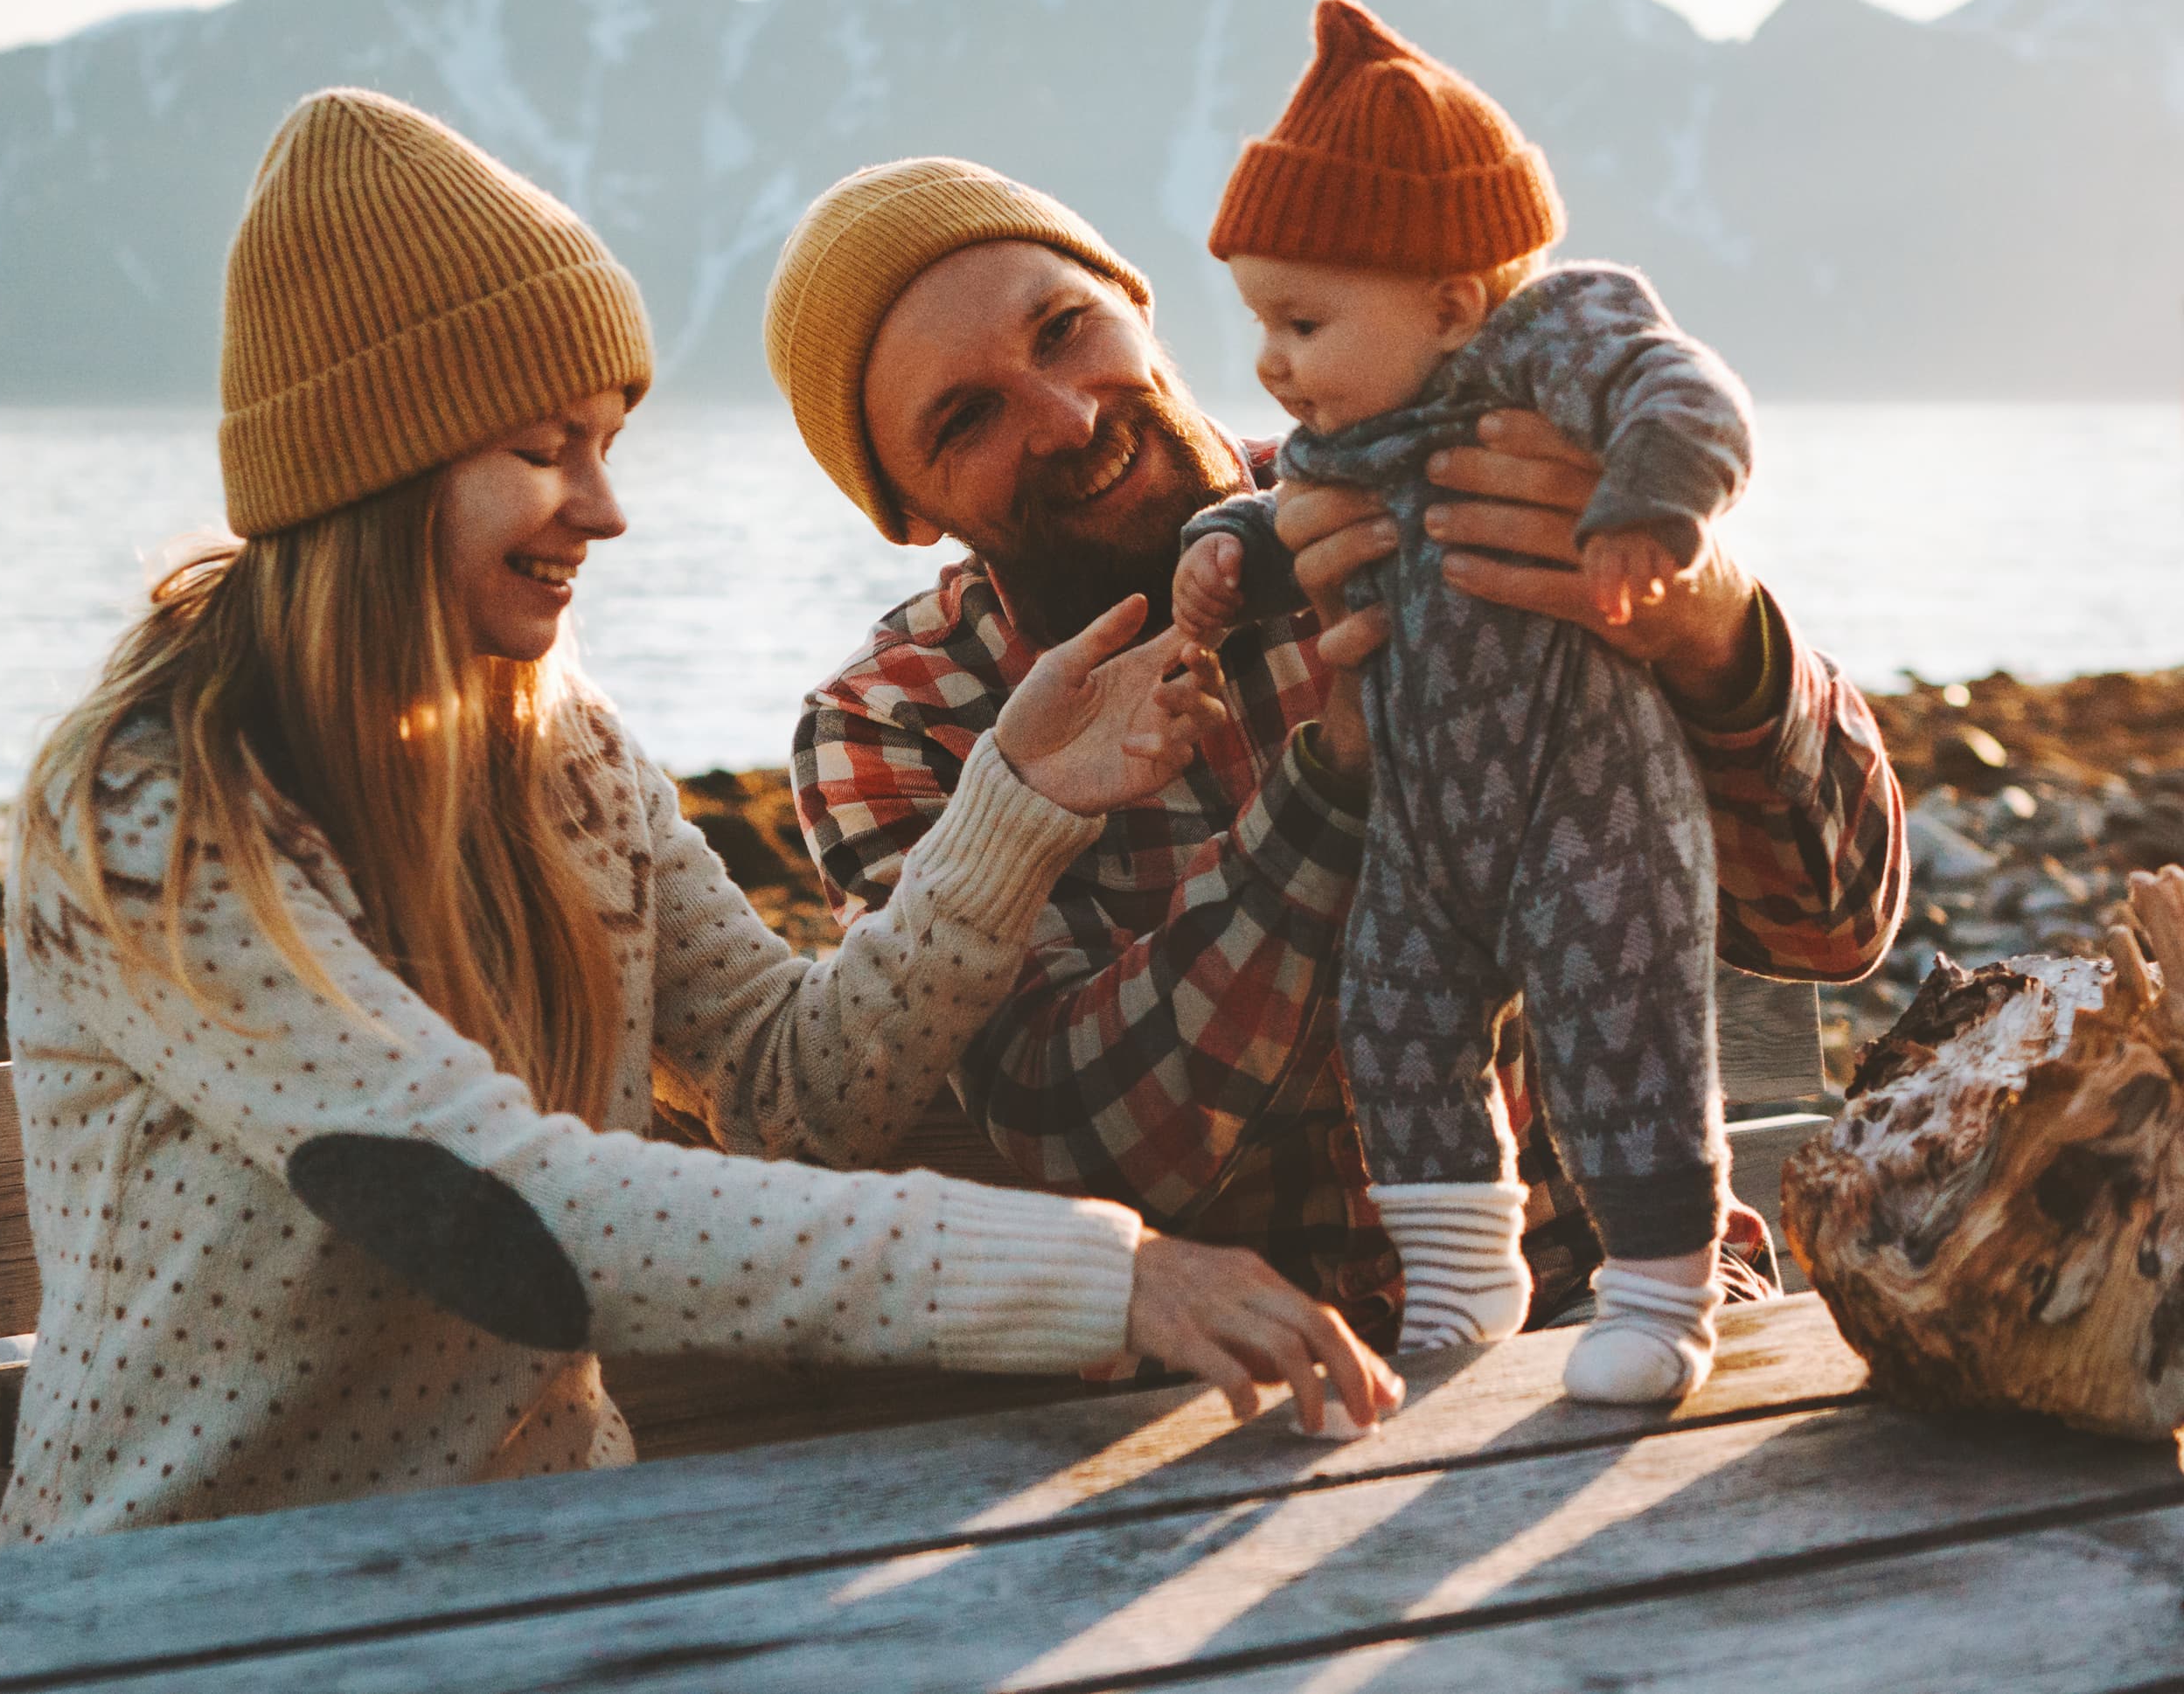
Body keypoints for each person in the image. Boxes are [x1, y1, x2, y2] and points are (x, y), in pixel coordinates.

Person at [0, 87, 1395, 1545]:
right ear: (383, 462)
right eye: (547, 448)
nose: (603, 510)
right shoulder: (151, 802)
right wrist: (1108, 1272)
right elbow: (487, 1197)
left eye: (606, 442)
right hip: (184, 1602)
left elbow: (796, 1089)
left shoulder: (561, 751)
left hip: (554, 1563)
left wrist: (1016, 804)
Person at [762, 122, 1903, 1352]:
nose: (1065, 414)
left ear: (1137, 304)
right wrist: (1334, 790)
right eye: (967, 418)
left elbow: (1835, 917)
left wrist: (1706, 621)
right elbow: (1082, 1135)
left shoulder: (1466, 481)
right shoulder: (898, 718)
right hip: (1229, 1402)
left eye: (1063, 328)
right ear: (904, 510)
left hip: (1616, 1316)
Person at [1172, 0, 1757, 1403]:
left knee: (1623, 1023)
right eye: (1260, 322)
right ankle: (1460, 1272)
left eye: (1301, 319)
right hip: (1426, 834)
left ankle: (1665, 1295)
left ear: (1448, 299)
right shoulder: (1349, 436)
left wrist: (1651, 516)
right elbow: (1279, 512)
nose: (1269, 361)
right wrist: (1220, 552)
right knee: (1395, 1018)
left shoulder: (1548, 343)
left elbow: (1688, 396)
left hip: (1584, 801)